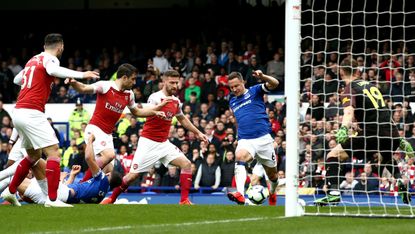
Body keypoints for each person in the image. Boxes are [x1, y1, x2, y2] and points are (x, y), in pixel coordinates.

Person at [1, 33, 100, 207]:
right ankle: (52, 200)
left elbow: (18, 79)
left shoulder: (33, 59)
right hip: (32, 111)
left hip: (18, 112)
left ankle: (10, 191)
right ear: (60, 46)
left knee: (33, 155)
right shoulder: (51, 59)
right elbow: (53, 71)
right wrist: (82, 74)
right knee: (54, 152)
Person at [314, 58, 414, 205]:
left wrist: (343, 128)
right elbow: (382, 111)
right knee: (384, 155)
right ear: (358, 71)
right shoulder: (372, 85)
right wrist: (399, 139)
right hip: (390, 132)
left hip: (372, 132)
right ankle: (400, 180)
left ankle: (334, 192)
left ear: (341, 72)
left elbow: (348, 112)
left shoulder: (350, 88)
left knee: (333, 154)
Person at [100, 69, 209, 205]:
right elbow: (146, 111)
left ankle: (184, 200)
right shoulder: (155, 97)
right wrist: (157, 109)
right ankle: (111, 198)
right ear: (164, 82)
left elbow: (182, 119)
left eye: (177, 82)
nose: (175, 86)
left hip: (163, 143)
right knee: (132, 176)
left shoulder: (176, 101)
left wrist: (198, 133)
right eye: (172, 82)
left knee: (186, 164)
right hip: (148, 143)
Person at [65, 63, 167, 183]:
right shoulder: (105, 86)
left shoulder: (129, 95)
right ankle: (81, 185)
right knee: (109, 155)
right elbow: (83, 88)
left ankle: (88, 193)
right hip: (95, 129)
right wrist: (73, 82)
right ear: (124, 77)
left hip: (107, 135)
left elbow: (137, 111)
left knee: (108, 172)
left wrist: (154, 112)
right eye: (133, 79)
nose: (134, 82)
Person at [2, 134, 122, 205]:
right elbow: (73, 193)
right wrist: (71, 177)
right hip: (53, 197)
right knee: (14, 180)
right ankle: (8, 186)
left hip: (58, 194)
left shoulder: (102, 179)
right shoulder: (101, 194)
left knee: (35, 158)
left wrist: (90, 141)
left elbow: (89, 158)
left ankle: (23, 141)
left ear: (108, 175)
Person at [226, 70, 281, 205]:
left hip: (263, 139)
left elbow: (275, 83)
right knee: (239, 156)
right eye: (231, 87)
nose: (234, 89)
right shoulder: (232, 101)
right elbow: (239, 120)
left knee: (272, 175)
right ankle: (240, 193)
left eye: (236, 86)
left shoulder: (254, 91)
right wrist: (239, 136)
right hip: (246, 140)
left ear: (243, 82)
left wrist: (263, 77)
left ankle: (272, 192)